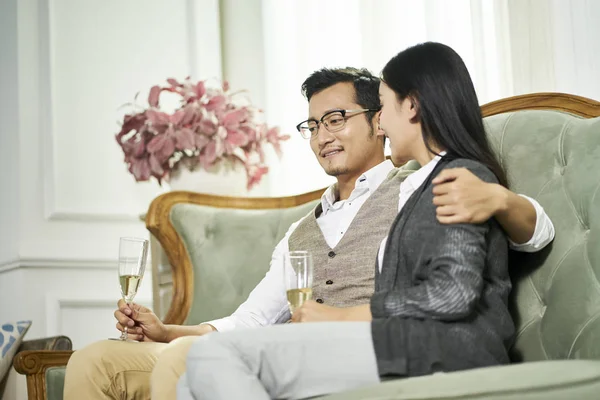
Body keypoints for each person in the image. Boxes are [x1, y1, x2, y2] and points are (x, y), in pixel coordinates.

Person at [64, 63, 554, 399]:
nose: (323, 135)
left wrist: (505, 201)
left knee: (195, 360)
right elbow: (250, 320)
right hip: (285, 347)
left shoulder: (413, 188)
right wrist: (166, 331)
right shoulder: (301, 230)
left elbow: (528, 227)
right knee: (95, 362)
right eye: (313, 125)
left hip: (367, 352)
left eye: (337, 119)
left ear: (381, 121)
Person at [178, 41, 521, 399]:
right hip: (405, 343)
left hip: (444, 351)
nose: (383, 123)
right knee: (189, 382)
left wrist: (344, 317)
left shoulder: (458, 177)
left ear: (412, 106)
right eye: (314, 125)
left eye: (384, 107)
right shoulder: (415, 189)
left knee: (211, 358)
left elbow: (453, 293)